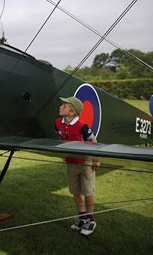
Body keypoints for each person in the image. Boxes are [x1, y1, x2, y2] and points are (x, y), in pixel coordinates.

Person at [55, 96, 99, 236]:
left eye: (64, 105)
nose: (60, 107)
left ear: (72, 111)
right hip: (71, 162)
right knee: (75, 191)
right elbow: (60, 138)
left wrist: (96, 159)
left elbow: (93, 141)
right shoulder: (57, 123)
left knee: (87, 192)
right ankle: (82, 217)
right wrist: (63, 154)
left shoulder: (82, 125)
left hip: (85, 162)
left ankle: (91, 220)